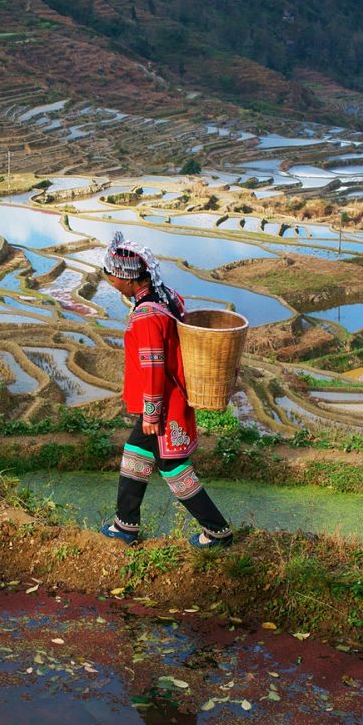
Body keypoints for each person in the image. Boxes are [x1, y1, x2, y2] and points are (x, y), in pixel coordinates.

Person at [98, 232, 233, 548]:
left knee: (173, 468)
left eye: (111, 275)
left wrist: (151, 412)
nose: (107, 279)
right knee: (135, 454)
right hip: (171, 398)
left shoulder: (147, 315)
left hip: (164, 404)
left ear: (126, 279)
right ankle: (125, 523)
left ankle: (217, 531)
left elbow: (154, 365)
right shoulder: (167, 296)